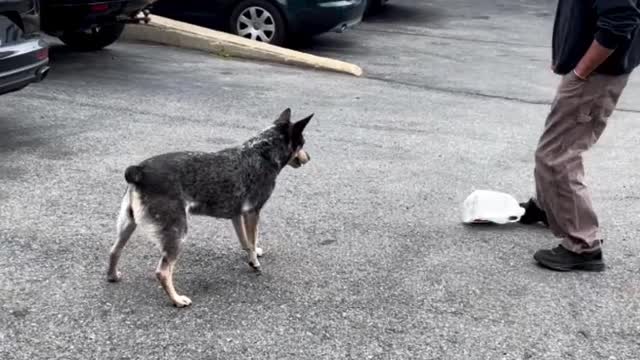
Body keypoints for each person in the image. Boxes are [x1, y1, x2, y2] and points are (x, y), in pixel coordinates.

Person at [519, 0, 640, 272]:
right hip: (587, 73)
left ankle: (584, 246)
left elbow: (620, 21)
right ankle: (547, 207)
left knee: (557, 155)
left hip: (594, 76)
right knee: (555, 143)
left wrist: (581, 71)